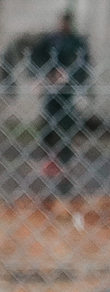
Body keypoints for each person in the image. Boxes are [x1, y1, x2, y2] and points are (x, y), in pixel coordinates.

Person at [29, 12, 92, 186]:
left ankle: (64, 162)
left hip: (67, 91)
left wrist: (68, 76)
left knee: (66, 124)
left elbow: (83, 65)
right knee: (48, 123)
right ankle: (48, 160)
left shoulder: (77, 42)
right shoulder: (49, 41)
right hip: (51, 89)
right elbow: (37, 58)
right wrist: (44, 76)